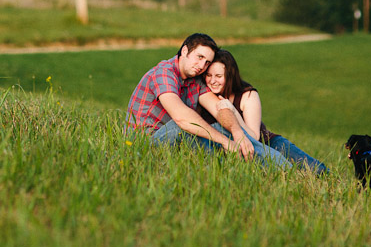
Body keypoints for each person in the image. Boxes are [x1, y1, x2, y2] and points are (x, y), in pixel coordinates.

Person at [125, 33, 289, 169]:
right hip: (143, 146)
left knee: (223, 126)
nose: (202, 66)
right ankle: (274, 167)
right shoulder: (164, 73)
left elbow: (219, 108)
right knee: (189, 126)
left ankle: (282, 169)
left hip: (173, 143)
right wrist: (225, 141)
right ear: (184, 51)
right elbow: (181, 117)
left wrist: (237, 132)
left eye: (207, 62)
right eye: (199, 57)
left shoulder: (194, 80)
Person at [198, 49, 328, 175]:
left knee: (316, 169)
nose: (213, 81)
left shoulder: (248, 95)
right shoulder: (204, 94)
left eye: (219, 76)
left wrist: (233, 112)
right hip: (233, 146)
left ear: (230, 75)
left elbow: (255, 137)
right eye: (208, 75)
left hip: (266, 143)